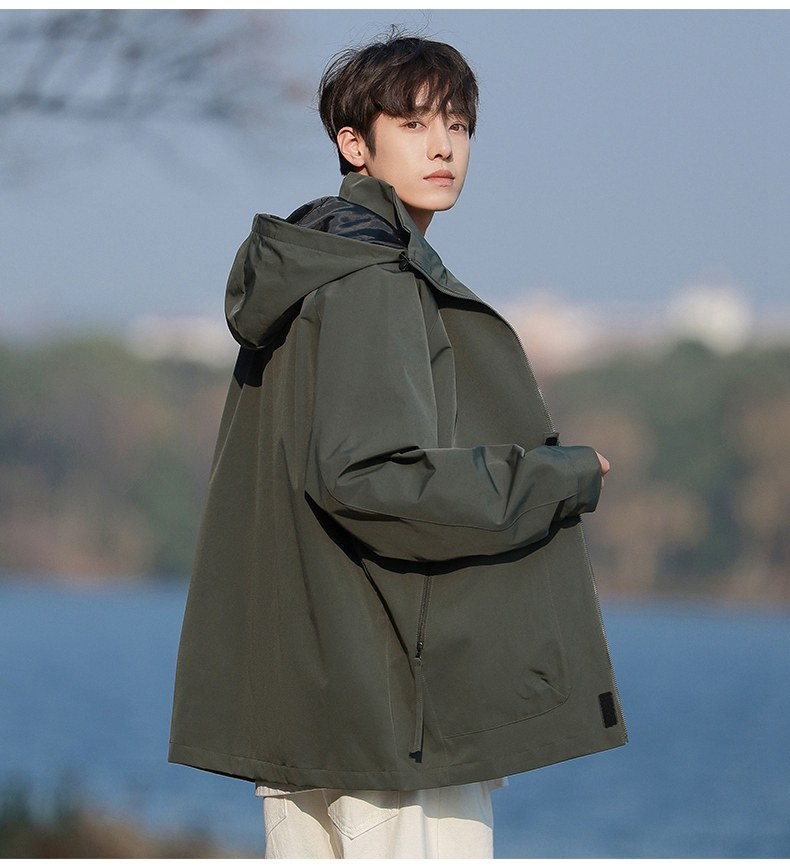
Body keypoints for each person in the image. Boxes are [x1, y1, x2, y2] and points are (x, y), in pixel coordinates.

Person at [169, 31, 627, 859]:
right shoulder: (371, 279)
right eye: (414, 124)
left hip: (316, 700)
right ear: (355, 144)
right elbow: (369, 477)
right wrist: (554, 476)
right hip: (392, 705)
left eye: (458, 124)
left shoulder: (317, 268)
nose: (444, 146)